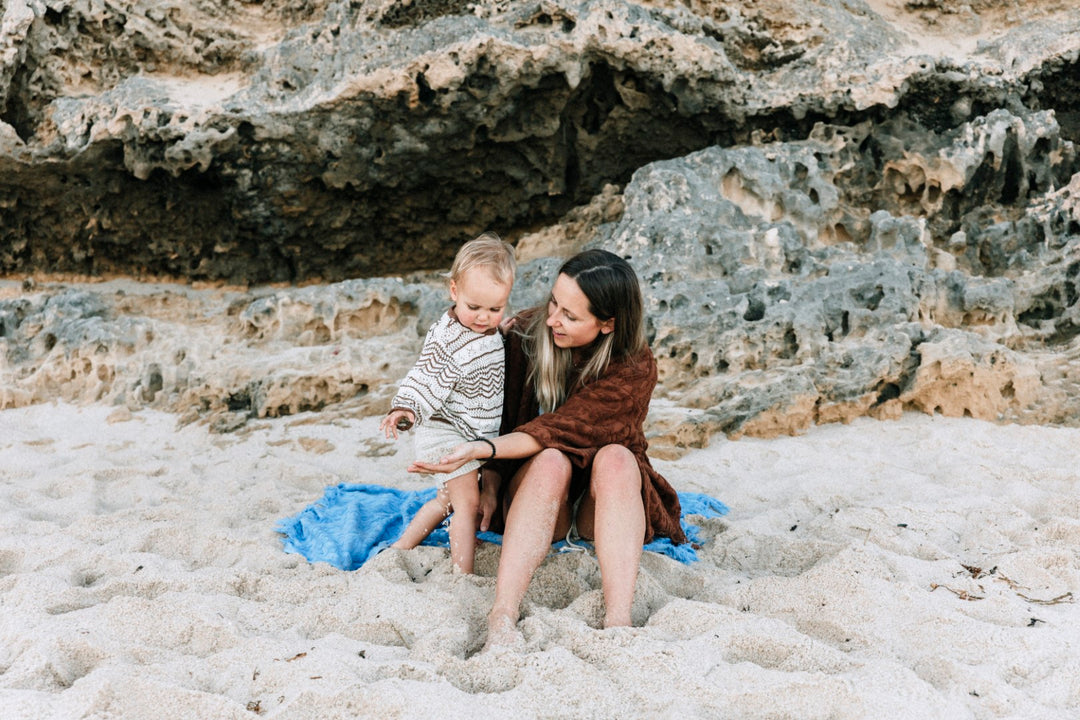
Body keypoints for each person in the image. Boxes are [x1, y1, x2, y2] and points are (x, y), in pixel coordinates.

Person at [409, 248, 685, 639]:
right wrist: (485, 479)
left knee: (618, 459)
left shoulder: (634, 365)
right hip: (536, 494)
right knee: (552, 459)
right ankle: (502, 613)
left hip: (599, 502)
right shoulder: (524, 333)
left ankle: (618, 619)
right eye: (554, 301)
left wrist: (484, 449)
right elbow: (486, 409)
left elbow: (564, 427)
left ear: (608, 324)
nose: (552, 319)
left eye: (570, 316)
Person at [379, 232, 516, 574]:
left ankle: (401, 547)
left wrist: (505, 329)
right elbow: (425, 375)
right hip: (444, 432)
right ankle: (463, 573)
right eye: (474, 307)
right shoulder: (448, 338)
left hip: (468, 433)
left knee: (446, 501)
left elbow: (491, 345)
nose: (483, 317)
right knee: (466, 505)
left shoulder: (487, 332)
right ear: (454, 291)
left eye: (495, 308)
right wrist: (406, 408)